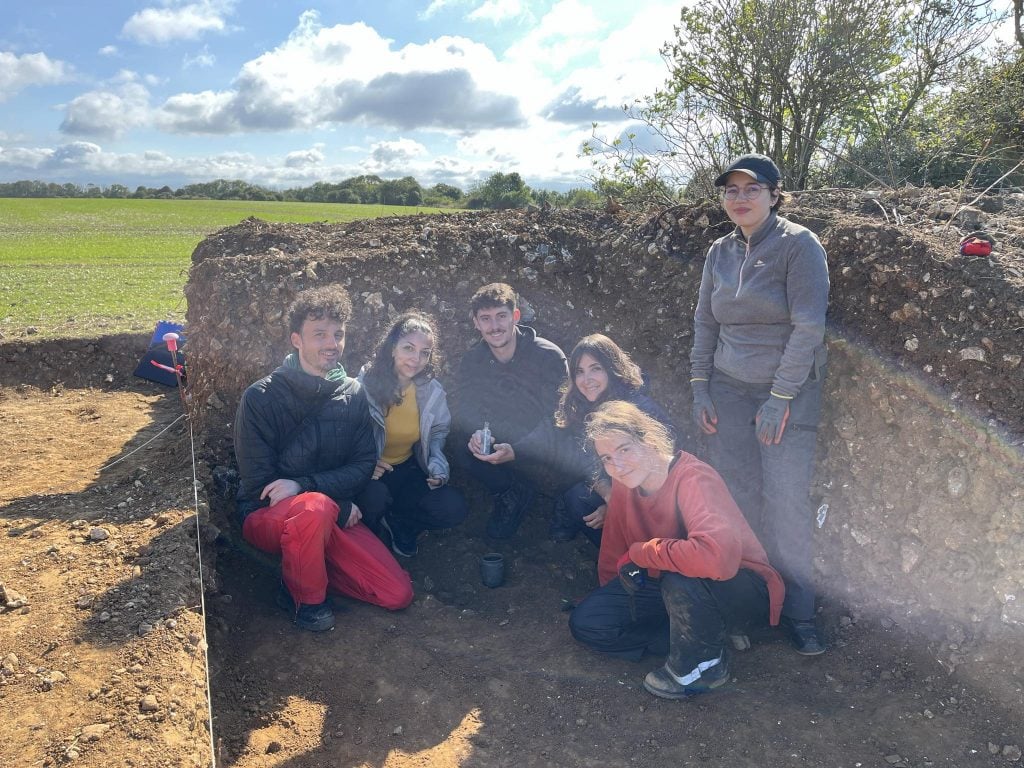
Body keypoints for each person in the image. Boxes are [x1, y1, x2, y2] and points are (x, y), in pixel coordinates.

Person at [689, 153, 830, 655]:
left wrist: (779, 397)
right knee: (735, 499)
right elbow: (707, 323)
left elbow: (809, 327)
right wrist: (700, 386)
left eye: (752, 189)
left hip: (786, 396)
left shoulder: (799, 245)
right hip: (728, 388)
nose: (740, 197)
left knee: (786, 501)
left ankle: (799, 613)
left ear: (774, 195)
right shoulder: (720, 252)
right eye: (731, 189)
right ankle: (746, 604)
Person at [568, 401, 784, 700]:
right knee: (588, 623)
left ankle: (703, 668)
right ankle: (706, 638)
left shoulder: (693, 477)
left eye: (624, 449)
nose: (616, 465)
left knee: (680, 578)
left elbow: (717, 559)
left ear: (648, 440)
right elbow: (616, 549)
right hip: (669, 587)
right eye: (606, 457)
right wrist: (611, 597)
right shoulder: (624, 484)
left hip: (738, 587)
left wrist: (645, 552)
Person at [234, 285, 414, 632]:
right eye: (319, 334)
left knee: (396, 593)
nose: (331, 343)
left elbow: (363, 466)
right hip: (266, 517)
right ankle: (305, 601)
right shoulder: (260, 397)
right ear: (296, 339)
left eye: (338, 334)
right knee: (314, 508)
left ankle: (304, 567)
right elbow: (260, 485)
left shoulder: (354, 393)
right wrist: (323, 499)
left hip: (328, 511)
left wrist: (314, 491)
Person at [490, 333, 675, 546]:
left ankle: (638, 560)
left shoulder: (638, 411)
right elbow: (554, 435)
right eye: (579, 371)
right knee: (577, 496)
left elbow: (660, 474)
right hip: (614, 486)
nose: (586, 380)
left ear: (612, 369)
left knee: (586, 503)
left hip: (652, 502)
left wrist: (619, 505)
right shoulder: (582, 404)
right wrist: (514, 450)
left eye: (595, 368)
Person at [453, 282, 568, 538]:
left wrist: (520, 450)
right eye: (486, 319)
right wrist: (476, 434)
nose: (494, 326)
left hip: (541, 441)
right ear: (476, 323)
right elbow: (467, 406)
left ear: (515, 316)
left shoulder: (548, 356)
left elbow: (560, 418)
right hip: (501, 438)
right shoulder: (473, 360)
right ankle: (511, 493)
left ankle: (564, 505)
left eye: (501, 316)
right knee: (460, 444)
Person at [354, 311, 468, 557]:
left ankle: (400, 522)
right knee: (374, 499)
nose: (416, 359)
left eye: (424, 353)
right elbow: (345, 434)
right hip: (370, 476)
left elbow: (437, 433)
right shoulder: (364, 386)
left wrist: (438, 468)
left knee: (453, 508)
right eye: (408, 348)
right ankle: (371, 535)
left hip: (407, 471)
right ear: (392, 348)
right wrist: (364, 465)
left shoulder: (431, 391)